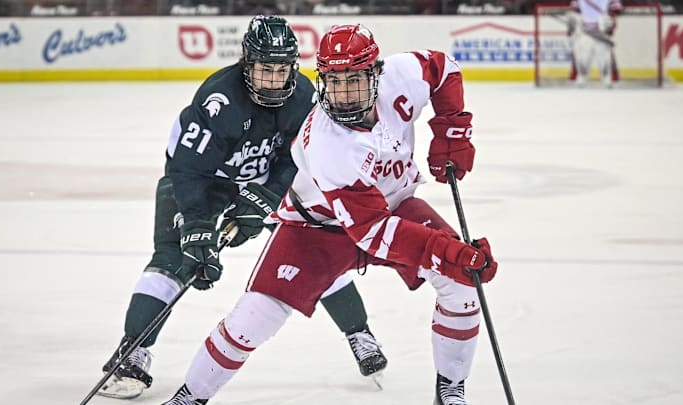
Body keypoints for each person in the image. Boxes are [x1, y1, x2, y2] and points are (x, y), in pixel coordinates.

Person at [160, 24, 499, 405]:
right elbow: (373, 233)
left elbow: (443, 68)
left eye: (353, 80)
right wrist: (447, 250)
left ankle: (451, 388)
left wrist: (452, 129)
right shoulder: (326, 142)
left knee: (462, 282)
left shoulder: (401, 76)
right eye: (333, 81)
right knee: (253, 319)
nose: (342, 94)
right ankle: (191, 396)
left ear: (376, 73)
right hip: (316, 227)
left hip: (395, 205)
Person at [97, 16, 387, 400]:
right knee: (172, 259)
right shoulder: (220, 100)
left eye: (281, 69)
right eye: (264, 69)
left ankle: (359, 333)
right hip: (203, 183)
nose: (272, 80)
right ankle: (133, 352)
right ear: (246, 64)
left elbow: (297, 157)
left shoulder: (303, 96)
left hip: (265, 183)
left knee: (313, 253)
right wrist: (197, 226)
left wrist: (266, 196)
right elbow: (186, 168)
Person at [567, 0, 623, 86]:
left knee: (604, 60)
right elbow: (574, 12)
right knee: (583, 59)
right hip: (586, 31)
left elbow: (616, 10)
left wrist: (610, 22)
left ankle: (606, 80)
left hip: (600, 32)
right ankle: (583, 79)